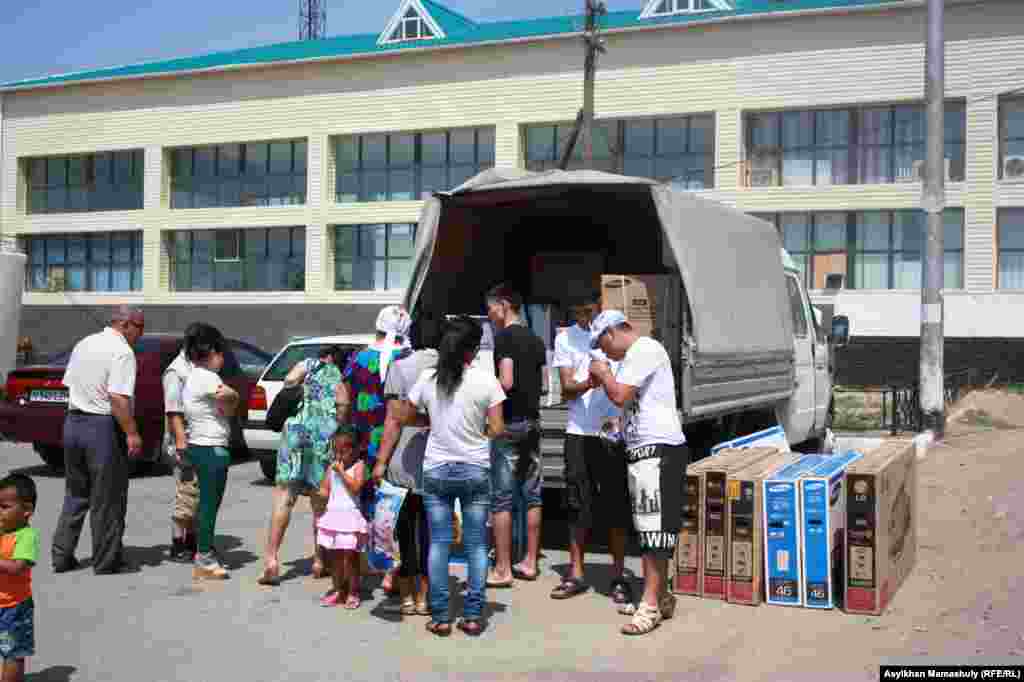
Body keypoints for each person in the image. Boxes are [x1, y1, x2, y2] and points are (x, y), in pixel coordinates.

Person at [588, 310, 687, 636]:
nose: (603, 353)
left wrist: (603, 374)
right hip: (647, 450)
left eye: (602, 344)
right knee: (652, 528)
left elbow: (618, 395)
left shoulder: (643, 350)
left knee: (654, 530)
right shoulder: (640, 354)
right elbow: (634, 403)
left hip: (657, 452)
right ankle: (660, 597)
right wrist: (619, 426)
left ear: (614, 332)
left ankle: (649, 606)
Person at [406, 317, 506, 637]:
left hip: (436, 469)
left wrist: (432, 420)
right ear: (473, 349)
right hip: (476, 469)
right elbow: (497, 429)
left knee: (439, 543)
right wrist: (478, 432)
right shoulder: (486, 380)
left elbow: (408, 413)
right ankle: (474, 615)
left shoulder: (428, 378)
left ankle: (440, 615)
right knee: (477, 544)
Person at [549, 295, 631, 604]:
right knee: (576, 504)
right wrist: (590, 383)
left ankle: (619, 574)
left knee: (616, 504)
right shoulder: (566, 338)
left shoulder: (613, 332)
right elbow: (567, 388)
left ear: (598, 307)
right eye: (577, 311)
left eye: (588, 310)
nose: (583, 316)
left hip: (611, 430)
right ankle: (577, 573)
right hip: (578, 431)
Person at [52, 305, 145, 575]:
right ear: (125, 324)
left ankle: (61, 556)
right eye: (140, 327)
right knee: (108, 498)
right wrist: (131, 432)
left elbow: (70, 383)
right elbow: (118, 398)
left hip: (73, 423)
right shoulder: (122, 352)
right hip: (101, 427)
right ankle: (107, 561)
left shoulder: (85, 343)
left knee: (76, 493)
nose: (140, 334)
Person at [372, 311, 448, 617]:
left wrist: (380, 462)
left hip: (403, 459)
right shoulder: (448, 368)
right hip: (439, 459)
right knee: (433, 532)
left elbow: (392, 420)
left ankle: (407, 596)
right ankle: (427, 597)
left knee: (403, 531)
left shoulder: (400, 367)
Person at [337, 305, 411, 594]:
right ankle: (392, 572)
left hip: (364, 444)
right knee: (395, 507)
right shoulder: (407, 357)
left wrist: (342, 437)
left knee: (367, 503)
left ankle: (367, 565)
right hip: (400, 444)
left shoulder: (357, 359)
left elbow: (342, 401)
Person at [259, 345, 346, 586]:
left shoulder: (308, 365)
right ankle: (319, 561)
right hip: (322, 439)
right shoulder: (340, 376)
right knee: (320, 502)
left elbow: (289, 380)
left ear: (323, 357)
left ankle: (271, 560)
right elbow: (343, 406)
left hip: (295, 435)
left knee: (285, 498)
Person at [484, 284, 546, 587]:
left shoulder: (505, 338)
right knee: (532, 495)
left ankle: (503, 568)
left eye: (491, 308)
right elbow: (544, 383)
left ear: (504, 305)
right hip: (533, 423)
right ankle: (531, 562)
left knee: (502, 500)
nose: (490, 315)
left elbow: (506, 381)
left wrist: (485, 393)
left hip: (508, 426)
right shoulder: (536, 340)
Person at [164, 323, 225, 563]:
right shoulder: (176, 371)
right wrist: (181, 441)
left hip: (202, 439)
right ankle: (178, 543)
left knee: (199, 493)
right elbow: (173, 410)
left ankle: (194, 540)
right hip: (186, 440)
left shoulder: (196, 368)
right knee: (186, 493)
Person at [183, 329, 240, 580]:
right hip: (210, 447)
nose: (223, 358)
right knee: (208, 505)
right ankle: (204, 556)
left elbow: (226, 406)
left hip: (201, 444)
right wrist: (235, 396)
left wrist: (231, 399)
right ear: (211, 354)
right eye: (221, 353)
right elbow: (229, 400)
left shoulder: (195, 376)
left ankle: (204, 551)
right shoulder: (207, 377)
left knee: (206, 504)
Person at [316, 427, 368, 610]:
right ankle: (339, 589)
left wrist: (341, 473)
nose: (338, 455)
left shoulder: (359, 466)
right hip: (333, 516)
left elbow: (355, 487)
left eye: (343, 451)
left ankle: (353, 591)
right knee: (335, 558)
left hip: (350, 517)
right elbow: (325, 489)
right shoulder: (333, 467)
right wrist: (320, 491)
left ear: (355, 449)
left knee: (351, 558)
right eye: (336, 451)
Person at [0, 474, 40, 682]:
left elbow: (18, 567)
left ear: (26, 510)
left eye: (4, 507)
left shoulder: (26, 536)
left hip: (14, 608)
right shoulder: (2, 530)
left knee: (12, 653)